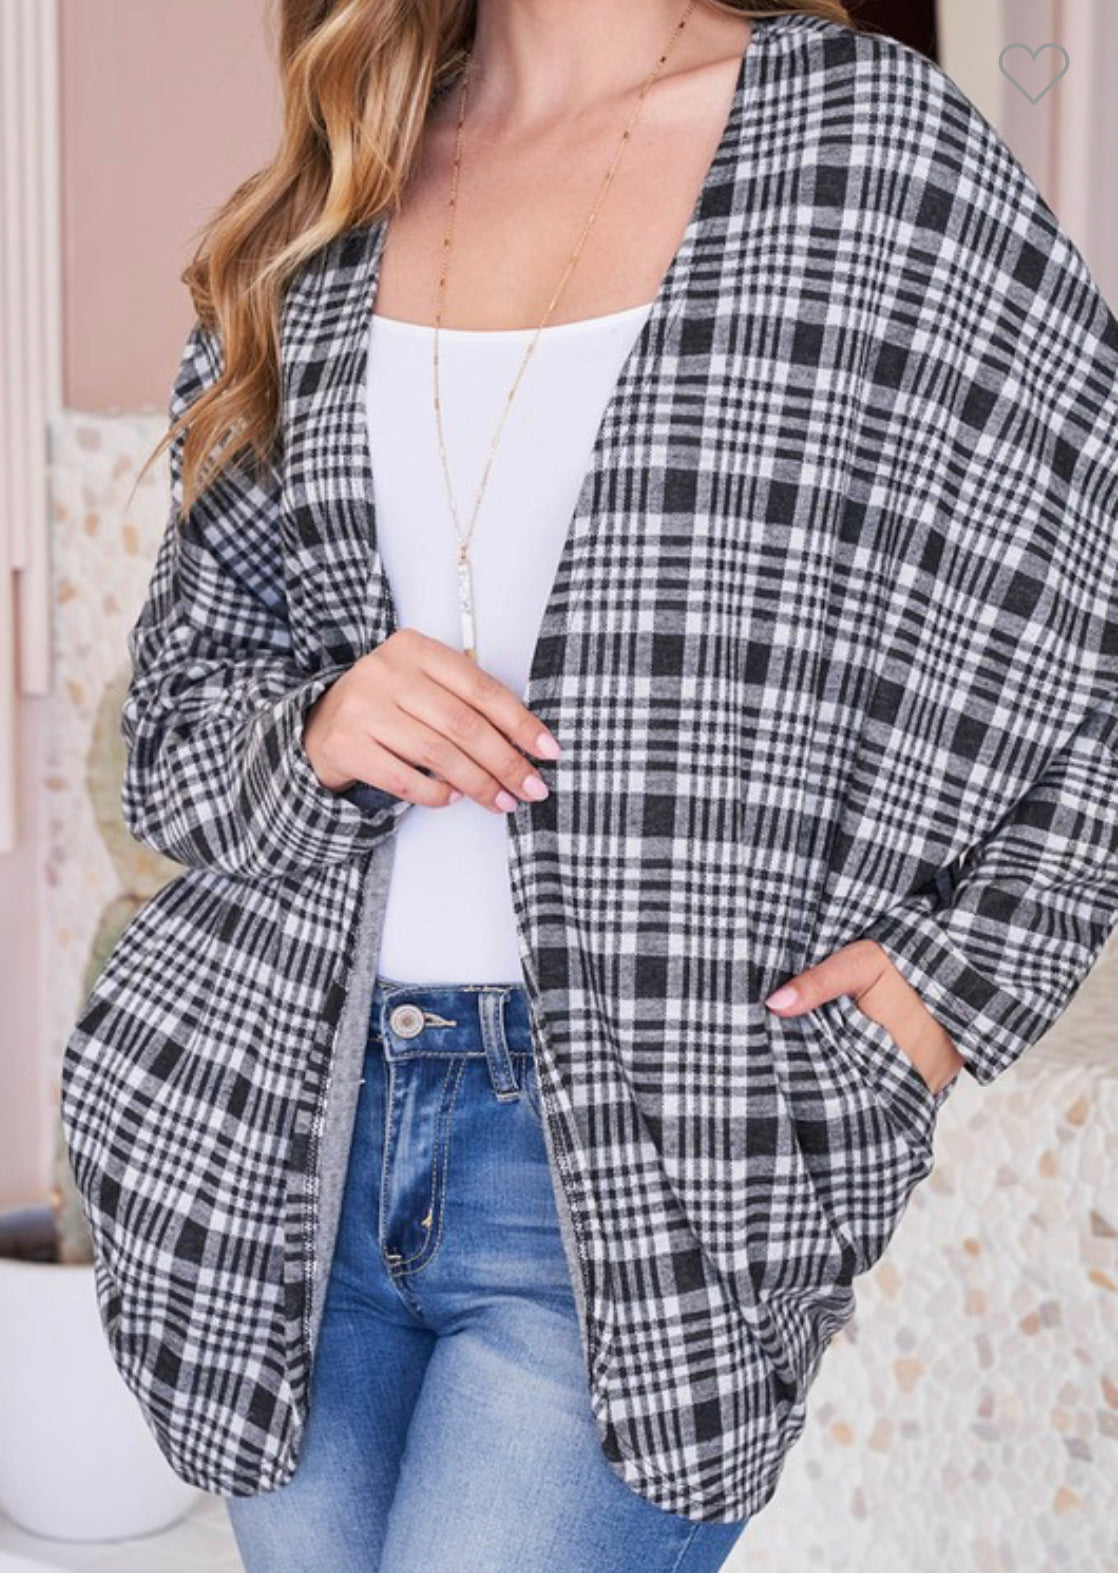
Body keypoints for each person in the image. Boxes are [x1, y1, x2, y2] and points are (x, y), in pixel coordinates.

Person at [58, 0, 1118, 1569]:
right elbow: (173, 736)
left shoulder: (869, 150)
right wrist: (319, 733)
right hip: (290, 1136)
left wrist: (949, 988)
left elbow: (1089, 619)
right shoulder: (339, 181)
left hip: (638, 1153)